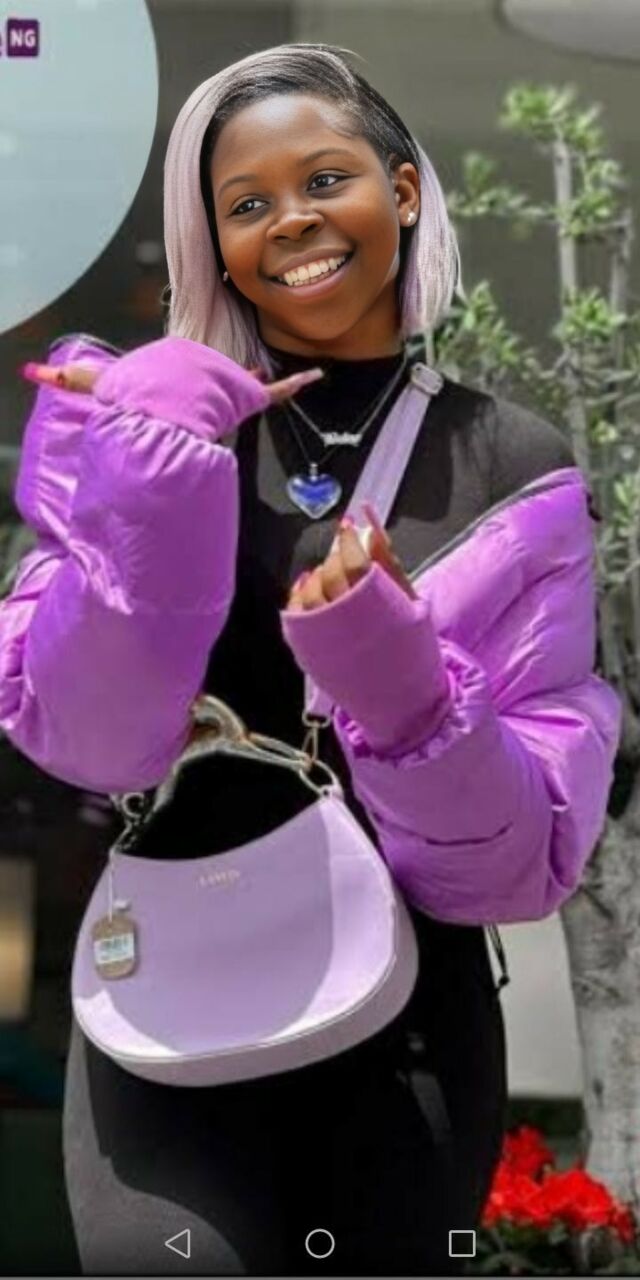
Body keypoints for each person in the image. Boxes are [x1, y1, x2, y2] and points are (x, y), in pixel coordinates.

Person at [0, 42, 621, 1278]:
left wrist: (391, 670)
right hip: (163, 996)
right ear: (216, 243)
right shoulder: (130, 416)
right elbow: (84, 739)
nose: (289, 220)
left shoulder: (510, 462)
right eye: (246, 203)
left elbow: (518, 858)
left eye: (324, 179)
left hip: (406, 1023)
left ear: (402, 189)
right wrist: (150, 471)